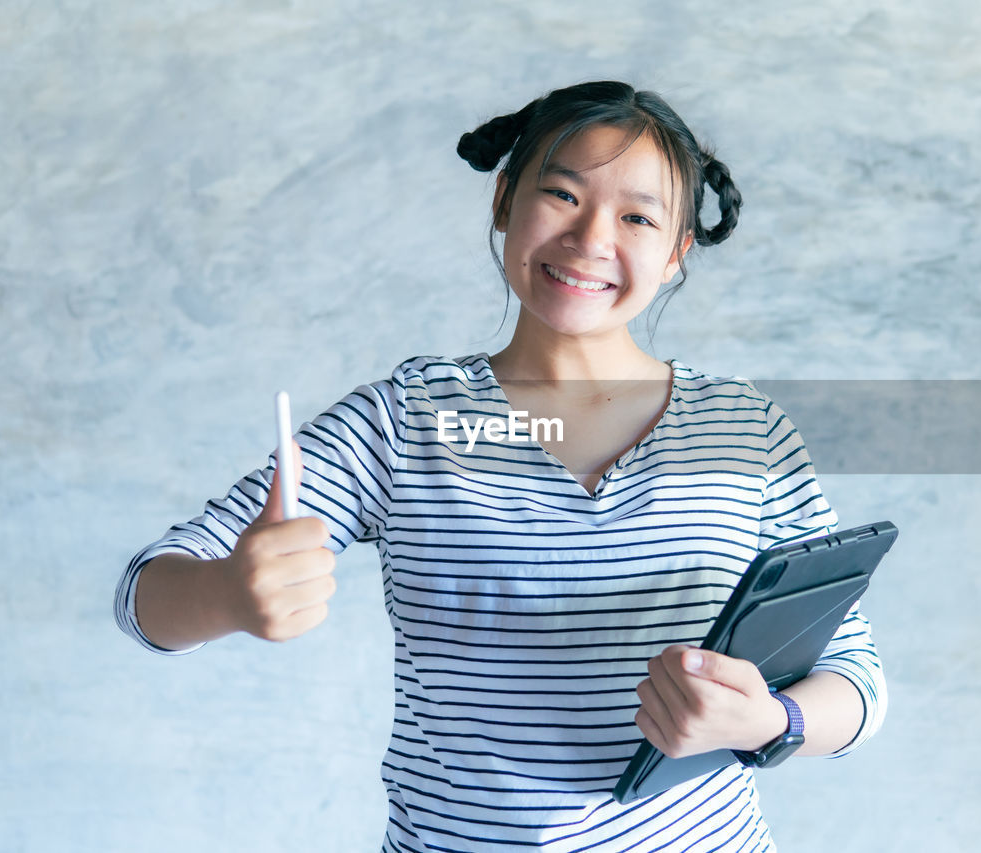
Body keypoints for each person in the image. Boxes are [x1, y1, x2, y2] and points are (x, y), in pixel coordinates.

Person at [114, 80, 886, 852]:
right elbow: (145, 594)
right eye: (561, 194)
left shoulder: (744, 427)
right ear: (503, 201)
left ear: (677, 252)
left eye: (638, 217)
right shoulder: (406, 420)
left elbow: (856, 677)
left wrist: (771, 721)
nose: (590, 239)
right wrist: (225, 592)